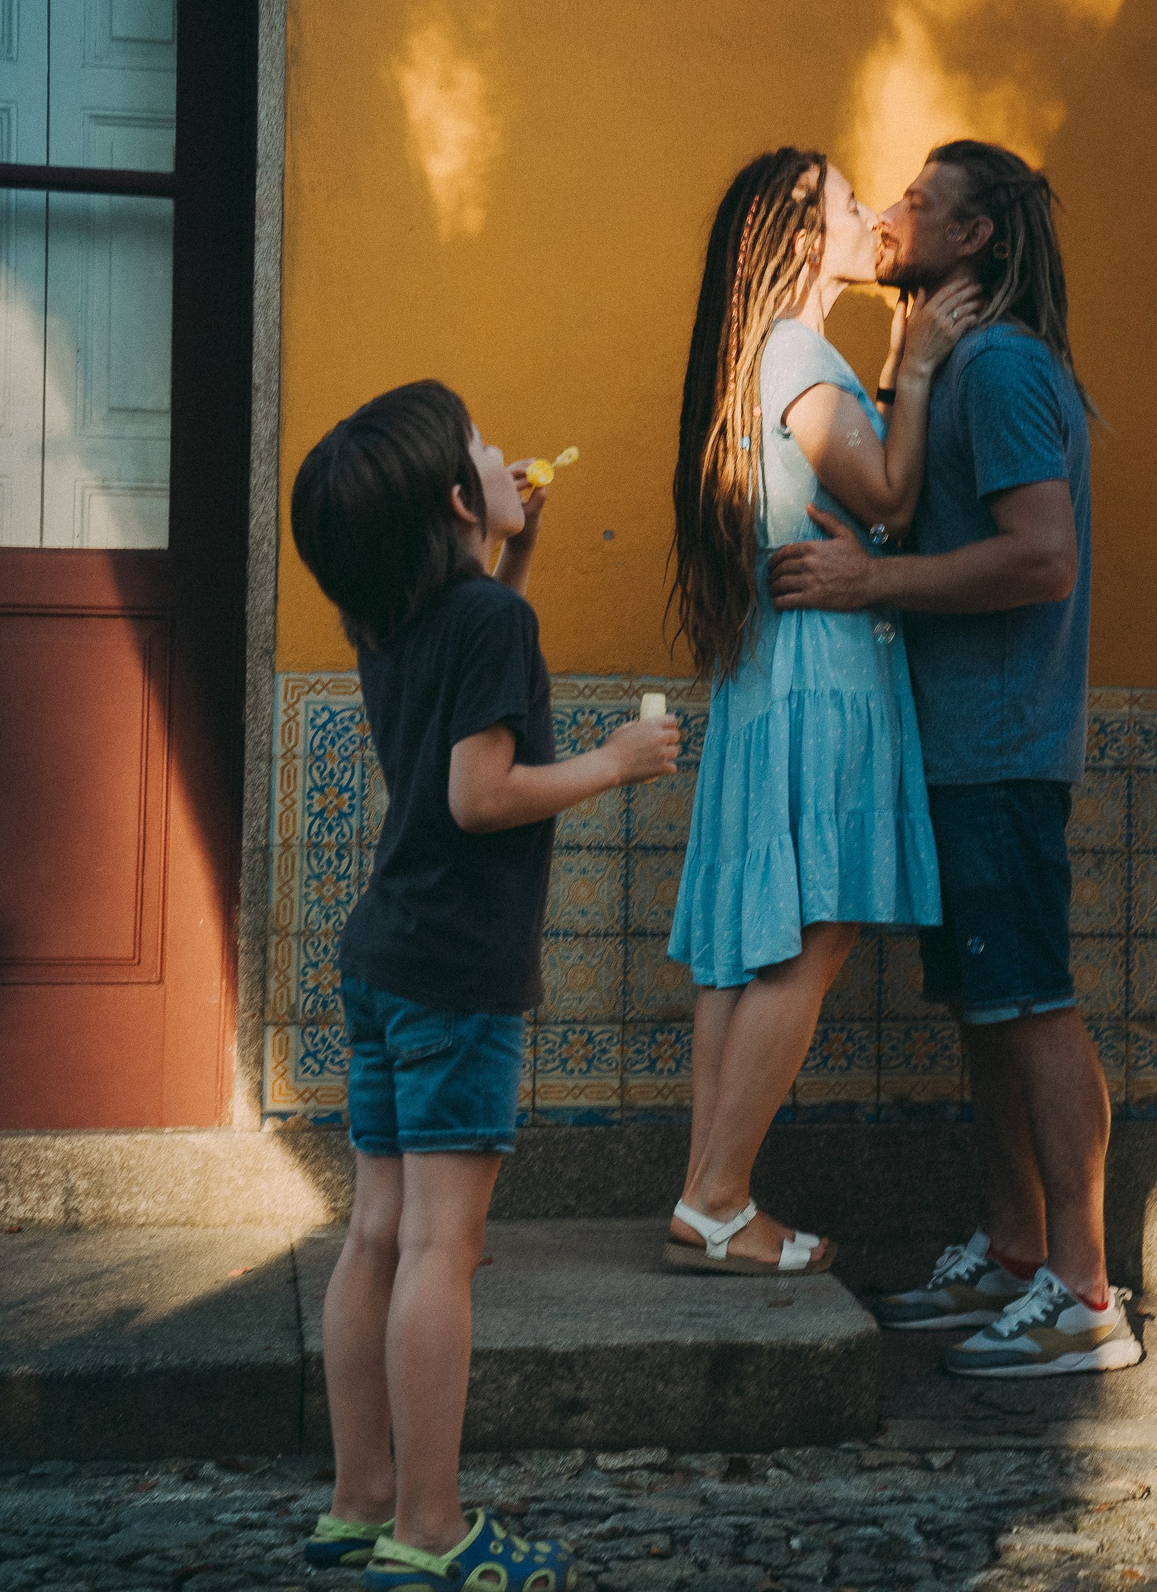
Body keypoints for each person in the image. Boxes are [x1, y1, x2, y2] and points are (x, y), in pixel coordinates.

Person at [289, 380, 682, 1591]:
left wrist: (518, 551)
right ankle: (430, 1533)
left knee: (376, 1235)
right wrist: (614, 763)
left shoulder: (402, 619)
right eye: (483, 449)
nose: (509, 451)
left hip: (382, 957)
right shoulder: (485, 627)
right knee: (442, 1253)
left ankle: (361, 1506)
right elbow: (479, 793)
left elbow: (471, 689)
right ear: (461, 500)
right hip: (457, 972)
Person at [770, 139, 1139, 1378]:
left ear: (974, 239)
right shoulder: (953, 357)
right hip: (958, 747)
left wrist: (873, 578)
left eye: (921, 202)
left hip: (998, 746)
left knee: (1032, 1006)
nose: (895, 214)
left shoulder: (997, 366)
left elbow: (1044, 558)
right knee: (990, 1013)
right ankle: (1016, 1255)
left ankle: (1086, 1293)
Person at [662, 148, 978, 1273]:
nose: (869, 213)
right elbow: (887, 493)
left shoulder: (767, 353)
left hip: (771, 671)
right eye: (850, 203)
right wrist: (916, 364)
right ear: (806, 242)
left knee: (746, 948)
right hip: (821, 674)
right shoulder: (801, 353)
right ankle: (719, 1198)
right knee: (809, 931)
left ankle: (707, 1199)